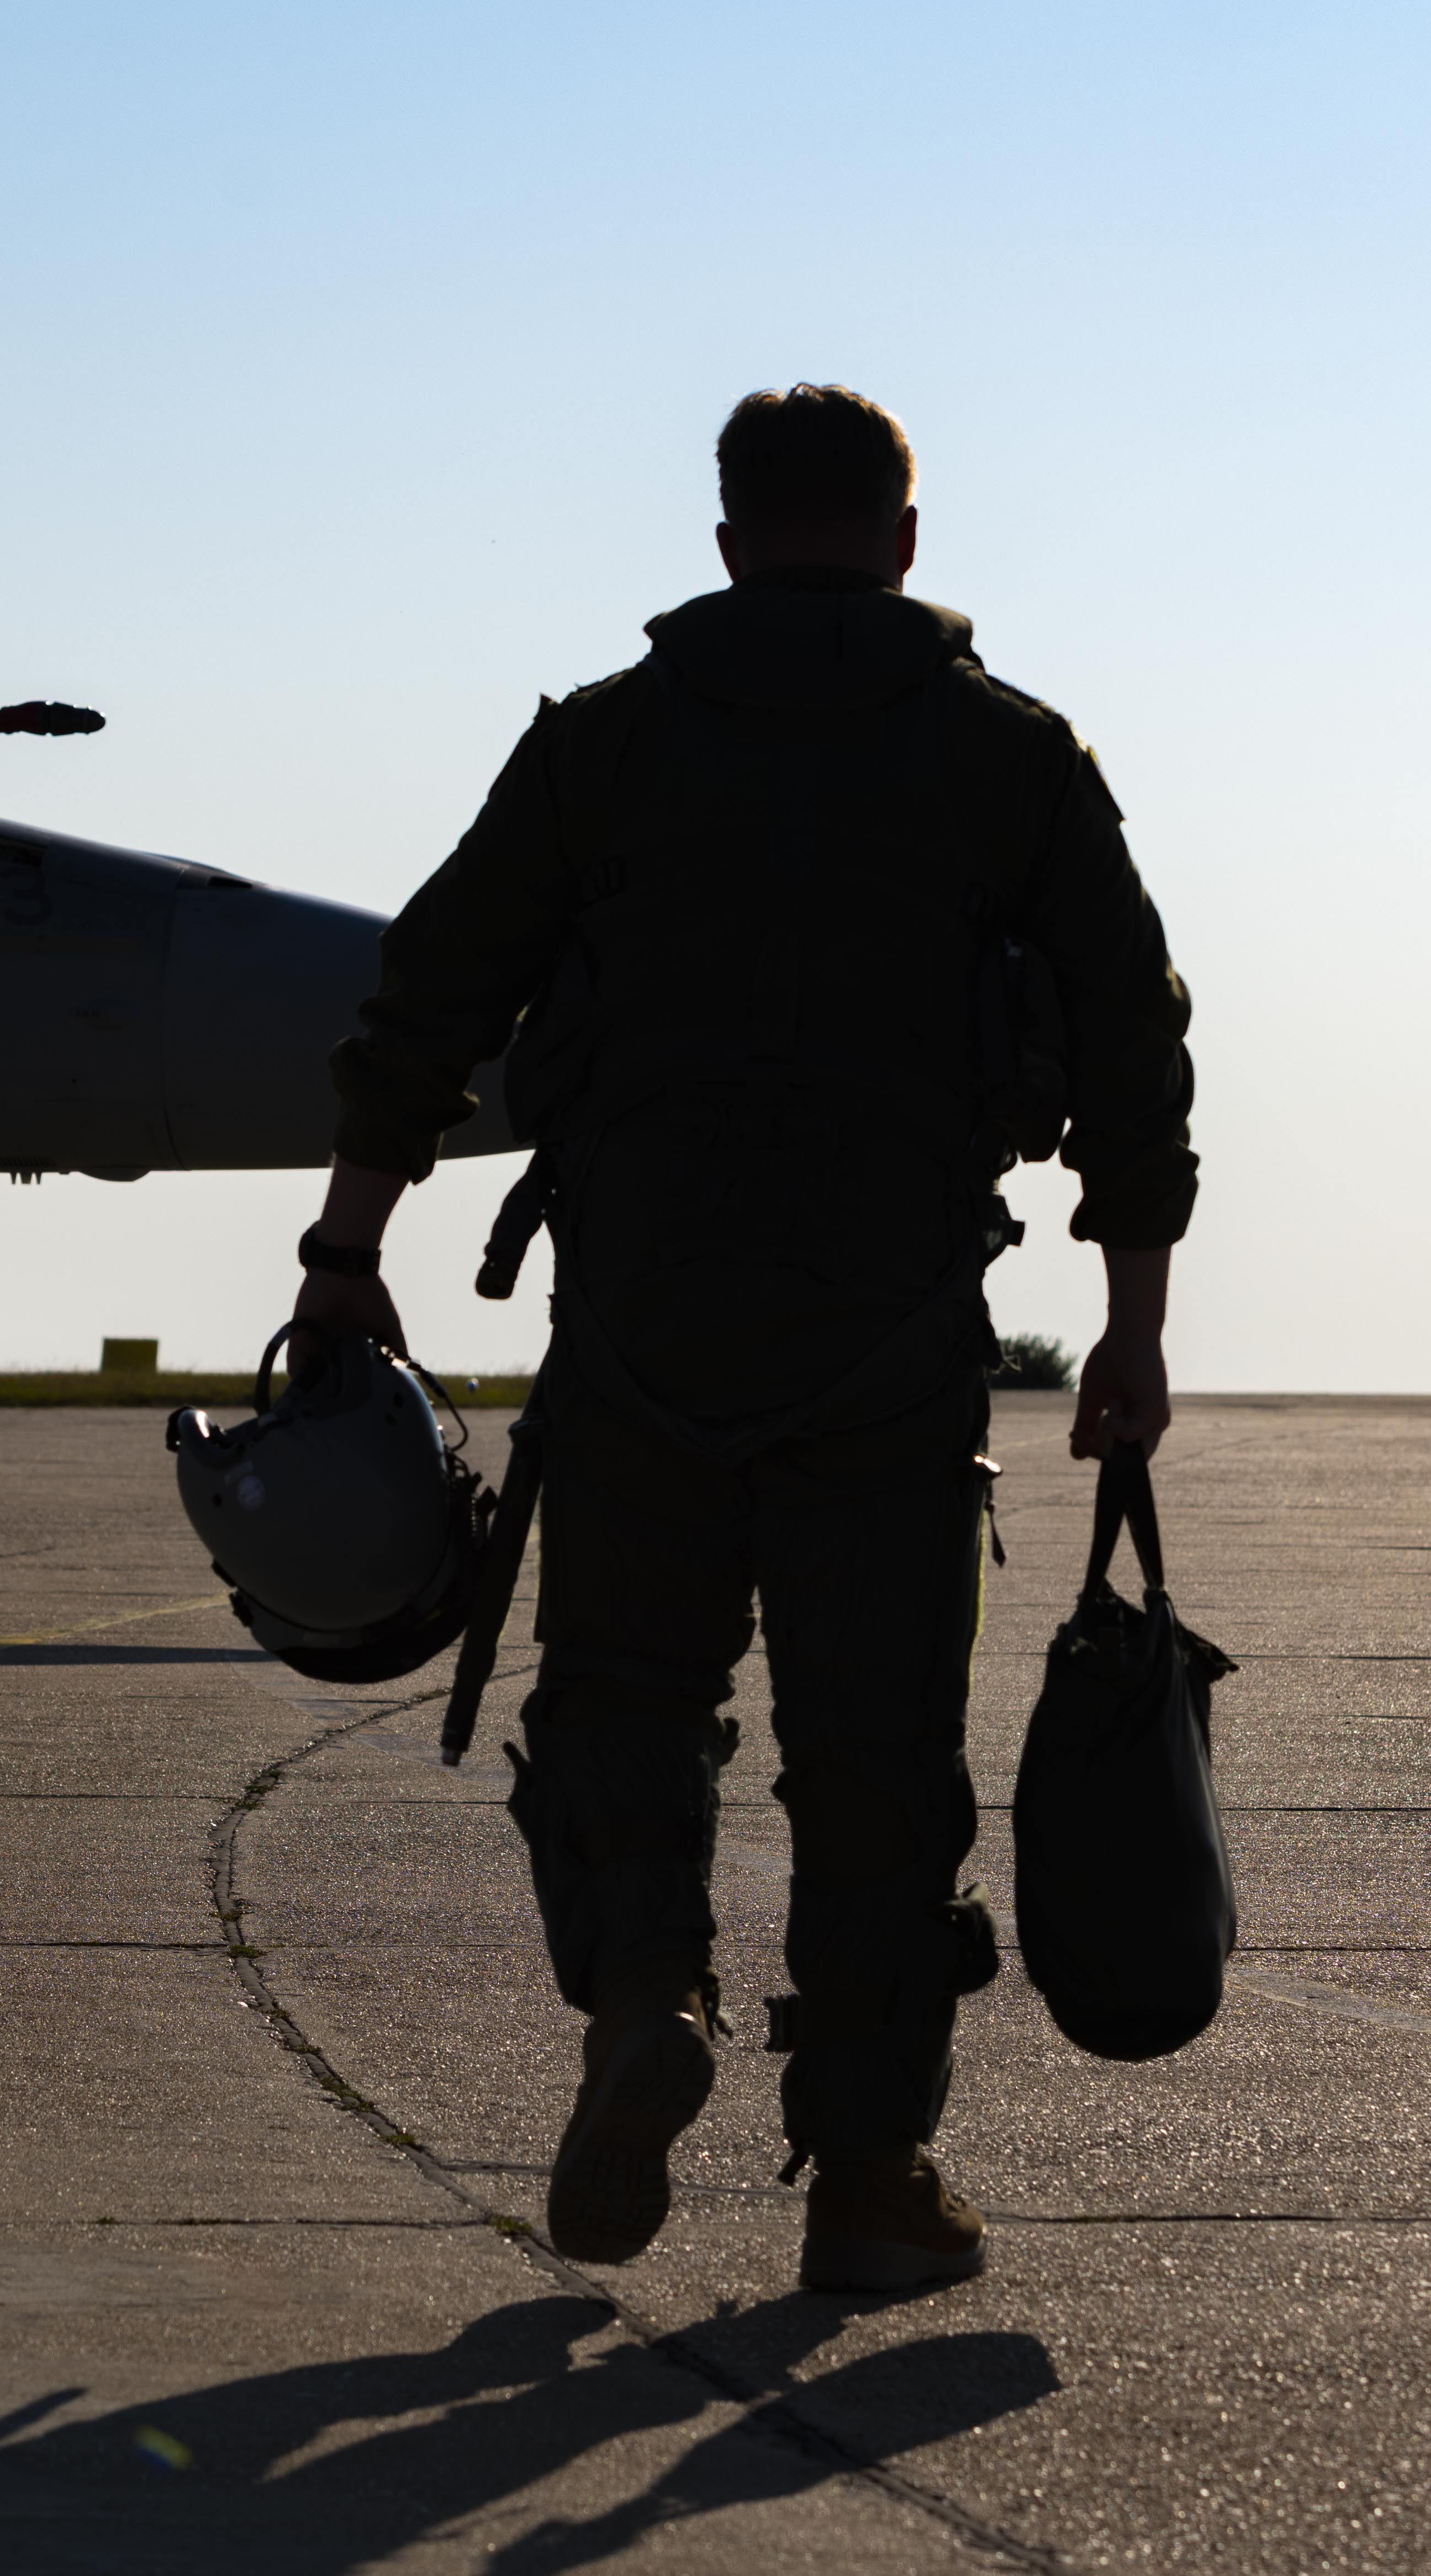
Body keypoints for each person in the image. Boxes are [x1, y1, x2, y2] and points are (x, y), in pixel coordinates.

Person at [289, 384, 1196, 2293]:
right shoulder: (1008, 758)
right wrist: (1130, 1322)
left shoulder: (602, 749)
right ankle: (867, 2177)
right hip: (886, 1341)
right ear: (903, 539)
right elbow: (1131, 1038)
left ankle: (647, 1999)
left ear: (723, 541)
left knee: (622, 1696)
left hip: (640, 1328)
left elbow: (428, 995)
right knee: (875, 1757)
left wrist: (345, 1251)